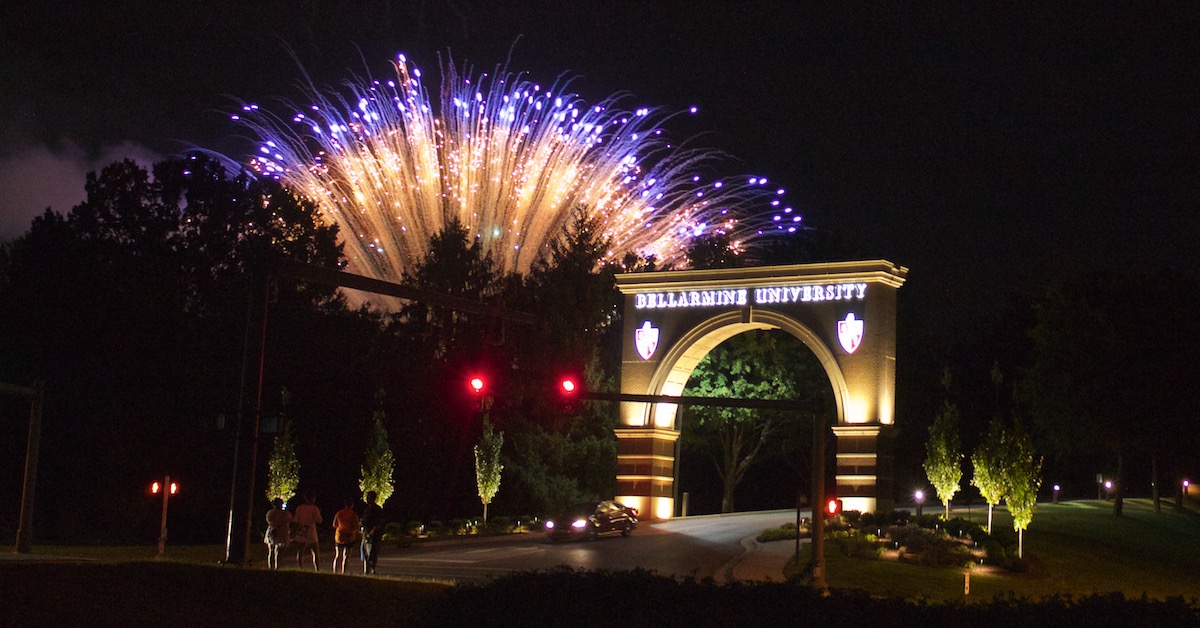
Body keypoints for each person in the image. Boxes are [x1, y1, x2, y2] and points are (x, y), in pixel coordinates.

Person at [291, 492, 323, 571]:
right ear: (313, 498)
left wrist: (294, 532)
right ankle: (317, 569)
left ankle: (300, 567)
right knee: (315, 552)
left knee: (300, 551)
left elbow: (295, 520)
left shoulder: (299, 508)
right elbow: (319, 520)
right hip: (311, 532)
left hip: (301, 531)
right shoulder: (314, 508)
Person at [331, 498, 361, 574]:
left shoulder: (339, 513)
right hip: (349, 536)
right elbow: (356, 526)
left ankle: (335, 572)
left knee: (337, 555)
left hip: (339, 536)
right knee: (346, 556)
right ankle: (343, 572)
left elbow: (334, 524)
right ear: (352, 505)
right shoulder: (353, 514)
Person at [359, 491, 384, 575]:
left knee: (371, 553)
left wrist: (372, 532)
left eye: (369, 497)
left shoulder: (377, 509)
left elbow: (378, 523)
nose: (367, 499)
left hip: (372, 535)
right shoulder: (367, 509)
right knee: (365, 553)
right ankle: (367, 571)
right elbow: (364, 521)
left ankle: (371, 570)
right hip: (366, 533)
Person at [263, 498, 291, 570]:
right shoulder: (285, 514)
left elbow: (269, 521)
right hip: (281, 532)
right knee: (278, 551)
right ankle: (277, 567)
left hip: (272, 531)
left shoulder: (270, 513)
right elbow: (288, 519)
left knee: (271, 550)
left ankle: (271, 567)